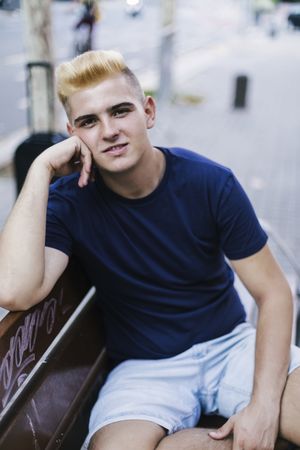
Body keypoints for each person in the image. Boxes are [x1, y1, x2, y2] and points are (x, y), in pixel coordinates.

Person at [0, 49, 299, 450]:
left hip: (230, 346)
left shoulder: (209, 183)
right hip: (144, 370)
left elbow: (274, 293)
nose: (108, 131)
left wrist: (263, 408)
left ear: (149, 112)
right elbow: (14, 290)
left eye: (120, 111)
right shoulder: (68, 203)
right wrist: (41, 168)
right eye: (89, 121)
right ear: (75, 134)